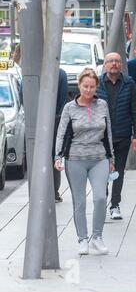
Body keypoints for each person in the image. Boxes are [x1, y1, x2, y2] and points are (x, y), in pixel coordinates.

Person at [54, 68, 115, 255]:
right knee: (79, 201)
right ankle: (82, 239)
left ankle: (97, 237)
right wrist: (58, 156)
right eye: (85, 86)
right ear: (79, 85)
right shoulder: (69, 108)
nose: (88, 90)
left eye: (92, 86)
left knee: (100, 198)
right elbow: (61, 133)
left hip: (99, 158)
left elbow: (108, 133)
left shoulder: (102, 105)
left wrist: (111, 157)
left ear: (97, 87)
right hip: (75, 159)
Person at [96, 53, 136, 220]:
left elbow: (135, 110)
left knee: (119, 171)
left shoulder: (129, 83)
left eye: (117, 61)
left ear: (121, 65)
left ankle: (115, 205)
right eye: (110, 61)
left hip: (122, 135)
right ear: (105, 65)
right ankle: (102, 201)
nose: (113, 64)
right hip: (101, 138)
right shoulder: (98, 83)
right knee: (102, 171)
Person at [53, 68, 68, 203]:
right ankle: (54, 191)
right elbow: (63, 100)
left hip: (35, 121)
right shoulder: (61, 73)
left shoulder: (30, 70)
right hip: (55, 121)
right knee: (54, 154)